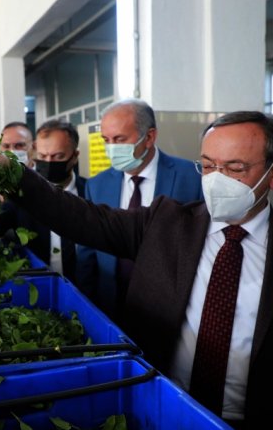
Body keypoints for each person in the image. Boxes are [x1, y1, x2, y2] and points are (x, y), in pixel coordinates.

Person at [0, 111, 273, 429]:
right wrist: (14, 174)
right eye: (209, 166)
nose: (217, 179)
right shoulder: (165, 223)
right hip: (163, 408)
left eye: (235, 168)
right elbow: (81, 217)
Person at [76, 98, 203, 320]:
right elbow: (87, 253)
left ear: (150, 137)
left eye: (120, 139)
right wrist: (87, 308)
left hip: (171, 310)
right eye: (106, 140)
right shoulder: (97, 185)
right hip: (111, 304)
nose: (111, 148)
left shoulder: (193, 178)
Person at [0, 119, 86, 283]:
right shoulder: (20, 195)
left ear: (75, 156)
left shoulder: (89, 192)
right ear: (35, 153)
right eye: (43, 156)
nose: (49, 163)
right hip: (38, 288)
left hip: (84, 292)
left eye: (58, 156)